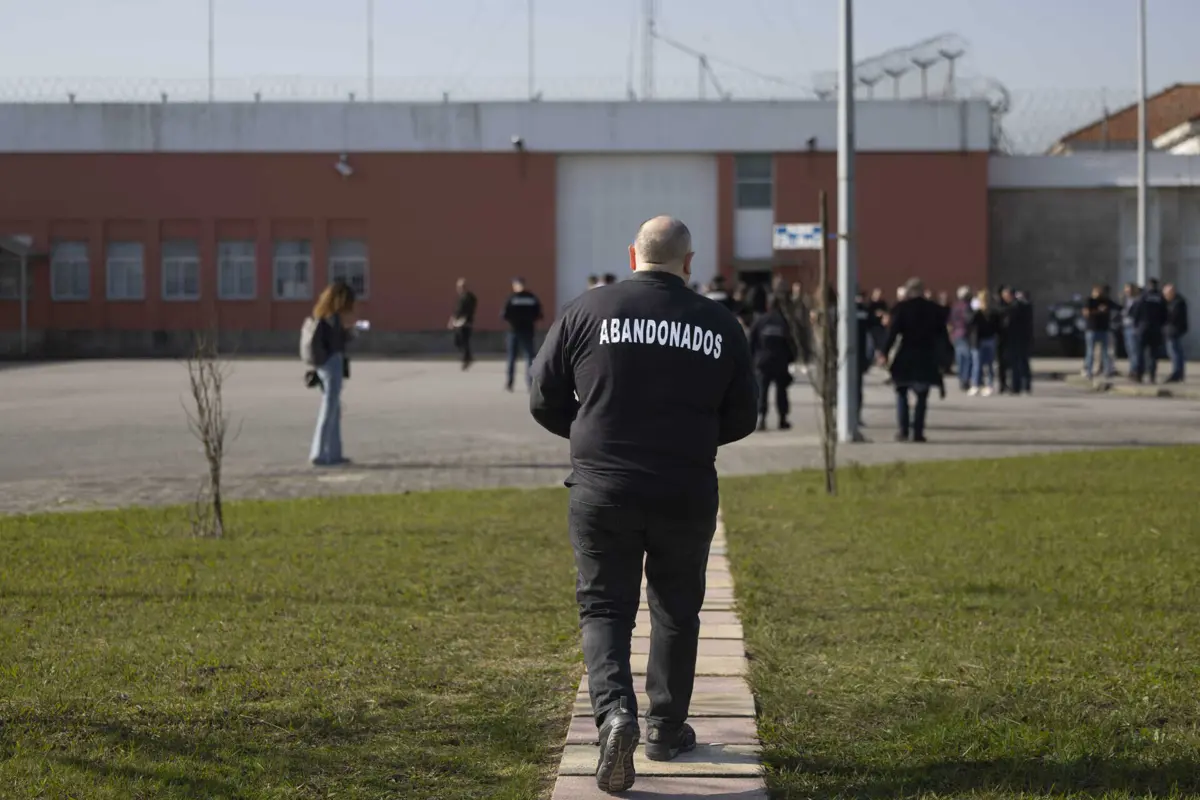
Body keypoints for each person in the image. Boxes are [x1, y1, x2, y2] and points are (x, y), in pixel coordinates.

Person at [527, 216, 757, 794]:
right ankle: (664, 728)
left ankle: (614, 715)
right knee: (677, 608)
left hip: (603, 487)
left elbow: (542, 396)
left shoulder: (585, 311)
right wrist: (692, 440)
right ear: (689, 261)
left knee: (605, 608)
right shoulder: (720, 322)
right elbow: (744, 416)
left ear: (633, 255)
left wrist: (588, 434)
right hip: (684, 486)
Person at [882, 278, 950, 443]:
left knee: (901, 392)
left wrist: (884, 351)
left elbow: (893, 333)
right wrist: (946, 357)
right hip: (926, 356)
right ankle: (918, 432)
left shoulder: (902, 308)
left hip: (906, 355)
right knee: (922, 396)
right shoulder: (934, 310)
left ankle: (903, 430)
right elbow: (942, 335)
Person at [308, 280, 357, 466]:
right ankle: (319, 453)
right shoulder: (330, 318)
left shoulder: (326, 316)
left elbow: (333, 340)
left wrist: (347, 333)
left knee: (334, 410)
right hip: (331, 364)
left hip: (327, 363)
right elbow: (333, 344)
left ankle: (334, 454)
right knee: (329, 409)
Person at [749, 293, 798, 431]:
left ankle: (761, 419)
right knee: (781, 392)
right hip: (780, 362)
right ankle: (782, 420)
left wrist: (751, 360)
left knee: (762, 392)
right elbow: (791, 344)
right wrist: (791, 359)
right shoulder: (784, 322)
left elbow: (751, 341)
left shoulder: (760, 321)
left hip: (763, 362)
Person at [501, 277, 544, 392]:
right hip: (527, 330)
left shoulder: (511, 298)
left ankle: (510, 383)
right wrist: (529, 320)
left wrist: (513, 320)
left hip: (513, 331)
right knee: (529, 357)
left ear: (515, 285)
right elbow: (539, 314)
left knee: (512, 357)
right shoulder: (531, 297)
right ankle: (529, 384)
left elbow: (504, 314)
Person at [1134, 278, 1167, 384]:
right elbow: (1164, 313)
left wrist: (1136, 325)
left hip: (1143, 327)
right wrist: (1160, 325)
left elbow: (1136, 312)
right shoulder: (1160, 297)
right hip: (1156, 328)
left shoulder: (1143, 296)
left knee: (1140, 352)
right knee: (1153, 354)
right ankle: (1152, 375)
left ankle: (1139, 375)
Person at [968, 289, 1001, 396]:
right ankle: (982, 385)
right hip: (984, 340)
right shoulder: (979, 313)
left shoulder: (988, 312)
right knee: (983, 364)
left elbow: (996, 325)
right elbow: (970, 322)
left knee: (984, 364)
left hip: (985, 340)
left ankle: (982, 385)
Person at [1082, 283, 1113, 380]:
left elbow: (1115, 308)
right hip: (1092, 329)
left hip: (1103, 329)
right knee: (1090, 351)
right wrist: (1099, 311)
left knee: (1105, 352)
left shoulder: (1106, 301)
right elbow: (1086, 313)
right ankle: (1088, 371)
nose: (1099, 294)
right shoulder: (1089, 301)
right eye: (1097, 292)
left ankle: (1107, 371)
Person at [1007, 289, 1035, 393]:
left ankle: (1016, 386)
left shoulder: (1016, 307)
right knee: (1024, 362)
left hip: (1016, 338)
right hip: (1025, 338)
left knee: (1016, 363)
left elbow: (1011, 322)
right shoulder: (1028, 307)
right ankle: (1026, 385)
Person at [448, 277, 477, 370]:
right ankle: (468, 357)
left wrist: (464, 319)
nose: (459, 288)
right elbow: (456, 311)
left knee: (464, 341)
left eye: (462, 286)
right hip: (458, 322)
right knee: (458, 341)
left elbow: (465, 310)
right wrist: (452, 320)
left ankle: (466, 360)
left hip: (465, 322)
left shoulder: (469, 297)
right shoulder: (461, 297)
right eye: (458, 286)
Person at [948, 286, 973, 391]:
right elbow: (969, 320)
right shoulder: (966, 307)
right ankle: (965, 380)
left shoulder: (955, 306)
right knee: (967, 358)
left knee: (960, 358)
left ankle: (961, 379)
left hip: (955, 333)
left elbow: (950, 320)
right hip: (964, 333)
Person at [1164, 283, 1189, 382]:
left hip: (1174, 331)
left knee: (1175, 352)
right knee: (1176, 352)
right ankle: (1178, 372)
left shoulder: (1177, 302)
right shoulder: (1177, 301)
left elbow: (1173, 317)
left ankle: (1177, 373)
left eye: (1166, 294)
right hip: (1174, 330)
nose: (1165, 297)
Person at [1121, 283, 1142, 379]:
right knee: (1129, 350)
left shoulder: (1138, 300)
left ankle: (1135, 370)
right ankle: (1132, 369)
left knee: (1135, 350)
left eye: (1129, 290)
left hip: (1134, 327)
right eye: (1126, 290)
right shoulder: (1125, 300)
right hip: (1126, 327)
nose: (1127, 292)